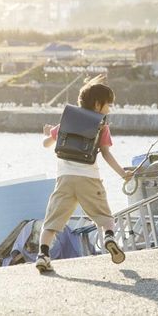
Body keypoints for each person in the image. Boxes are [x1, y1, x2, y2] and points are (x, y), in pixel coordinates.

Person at [36, 75, 132, 273]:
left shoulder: (66, 122)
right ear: (98, 105)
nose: (109, 109)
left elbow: (46, 145)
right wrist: (123, 174)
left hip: (65, 180)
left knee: (52, 221)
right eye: (109, 105)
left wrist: (48, 134)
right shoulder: (102, 126)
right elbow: (106, 154)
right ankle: (109, 238)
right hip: (89, 178)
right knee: (105, 217)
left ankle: (43, 255)